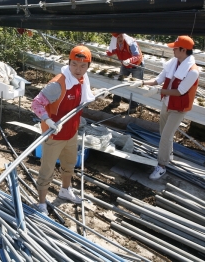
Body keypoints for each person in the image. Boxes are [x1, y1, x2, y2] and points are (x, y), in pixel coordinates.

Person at [31, 45, 97, 215]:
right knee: (47, 171)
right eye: (74, 64)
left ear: (88, 66)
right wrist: (47, 120)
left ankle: (65, 190)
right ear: (69, 63)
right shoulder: (58, 84)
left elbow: (82, 99)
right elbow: (36, 103)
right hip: (54, 134)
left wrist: (97, 95)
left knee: (69, 165)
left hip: (71, 132)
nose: (78, 69)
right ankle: (42, 203)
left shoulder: (82, 80)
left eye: (83, 66)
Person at [142, 35, 199, 180]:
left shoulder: (192, 71)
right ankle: (168, 154)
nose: (173, 50)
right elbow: (159, 79)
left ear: (183, 50)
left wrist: (159, 91)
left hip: (179, 108)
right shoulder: (173, 63)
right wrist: (142, 82)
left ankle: (161, 166)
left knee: (166, 137)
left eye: (175, 48)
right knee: (163, 133)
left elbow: (180, 91)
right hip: (167, 103)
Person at [106, 32, 144, 111]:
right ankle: (116, 101)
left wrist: (129, 60)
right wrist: (107, 53)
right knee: (119, 82)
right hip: (125, 65)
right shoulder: (116, 43)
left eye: (120, 37)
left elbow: (137, 56)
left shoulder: (131, 43)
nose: (119, 39)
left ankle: (133, 106)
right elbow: (114, 50)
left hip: (136, 66)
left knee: (136, 86)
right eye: (117, 37)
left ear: (124, 36)